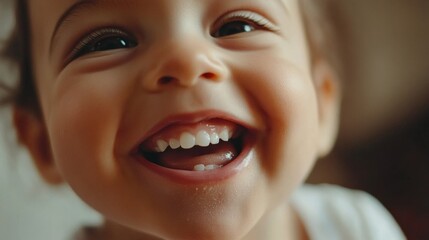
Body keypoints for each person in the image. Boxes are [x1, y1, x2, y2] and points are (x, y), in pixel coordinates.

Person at [0, 0, 405, 239]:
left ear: (322, 104)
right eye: (108, 42)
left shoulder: (355, 226)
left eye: (237, 25)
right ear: (41, 143)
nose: (185, 59)